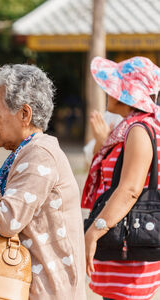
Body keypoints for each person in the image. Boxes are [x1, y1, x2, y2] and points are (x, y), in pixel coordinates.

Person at [0, 64, 86, 300]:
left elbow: (7, 221)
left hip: (47, 291)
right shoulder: (25, 152)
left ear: (24, 114)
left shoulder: (39, 154)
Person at [82, 56, 160, 300]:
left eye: (113, 86)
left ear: (126, 93)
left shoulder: (138, 129)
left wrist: (94, 231)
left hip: (129, 247)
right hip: (124, 246)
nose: (107, 91)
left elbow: (130, 189)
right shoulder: (133, 127)